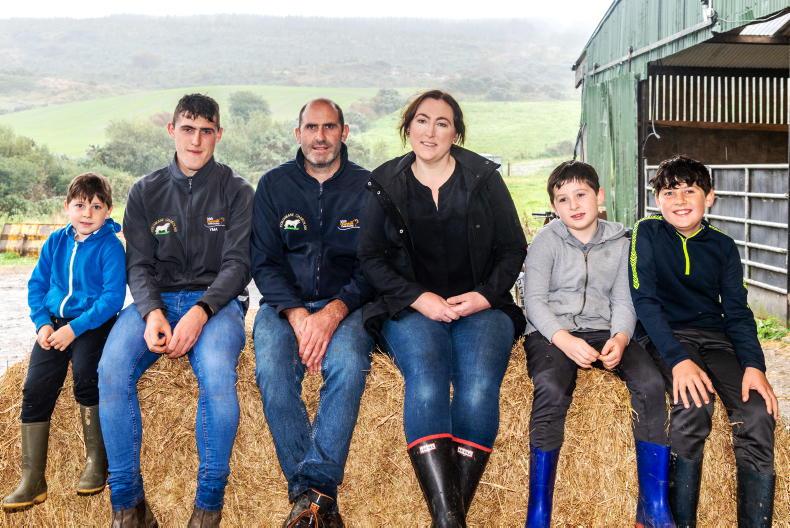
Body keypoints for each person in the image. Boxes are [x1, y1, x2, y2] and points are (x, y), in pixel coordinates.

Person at [358, 90, 526, 527]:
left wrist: (484, 296)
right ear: (407, 127)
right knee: (428, 380)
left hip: (482, 307)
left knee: (478, 387)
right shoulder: (384, 183)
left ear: (456, 133)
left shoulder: (483, 179)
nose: (430, 131)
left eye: (442, 123)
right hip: (412, 307)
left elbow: (513, 248)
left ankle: (447, 518)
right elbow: (370, 258)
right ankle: (451, 519)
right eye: (422, 120)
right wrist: (418, 297)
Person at [98, 94, 253, 528]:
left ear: (218, 135)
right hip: (158, 299)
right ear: (172, 130)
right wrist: (151, 312)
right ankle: (128, 506)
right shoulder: (145, 191)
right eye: (188, 129)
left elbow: (238, 265)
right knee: (110, 370)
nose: (196, 140)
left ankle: (208, 507)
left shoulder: (238, 191)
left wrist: (201, 312)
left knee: (218, 374)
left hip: (217, 303)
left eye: (206, 131)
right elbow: (138, 265)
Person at [521, 161, 673, 528]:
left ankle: (653, 505)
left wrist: (620, 338)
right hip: (551, 331)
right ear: (554, 207)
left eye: (581, 194)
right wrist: (563, 340)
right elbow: (534, 301)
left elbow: (623, 300)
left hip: (605, 328)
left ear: (599, 195)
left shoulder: (621, 243)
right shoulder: (545, 242)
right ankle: (538, 512)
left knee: (651, 385)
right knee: (550, 388)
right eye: (563, 199)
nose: (574, 205)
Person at [630, 155, 778, 527]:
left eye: (690, 191)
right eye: (669, 192)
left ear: (709, 197)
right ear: (657, 200)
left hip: (715, 340)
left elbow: (738, 312)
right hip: (666, 338)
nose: (679, 200)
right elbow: (644, 301)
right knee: (694, 405)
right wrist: (678, 359)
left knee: (758, 412)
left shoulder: (723, 246)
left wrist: (754, 366)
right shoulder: (646, 232)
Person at [250, 98, 374, 528]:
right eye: (311, 127)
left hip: (348, 305)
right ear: (298, 133)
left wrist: (334, 312)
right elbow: (263, 262)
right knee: (271, 368)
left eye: (329, 127)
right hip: (285, 306)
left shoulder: (368, 187)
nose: (320, 137)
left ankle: (312, 493)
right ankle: (317, 499)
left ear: (344, 132)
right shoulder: (273, 185)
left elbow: (375, 265)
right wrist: (297, 314)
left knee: (349, 365)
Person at [2, 172, 125, 512]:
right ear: (67, 207)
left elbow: (112, 298)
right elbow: (37, 285)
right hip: (54, 325)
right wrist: (42, 323)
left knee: (86, 374)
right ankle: (32, 479)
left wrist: (75, 328)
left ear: (108, 210)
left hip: (93, 323)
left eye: (96, 207)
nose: (87, 213)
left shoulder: (111, 247)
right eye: (80, 205)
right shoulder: (56, 242)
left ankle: (96, 462)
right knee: (35, 387)